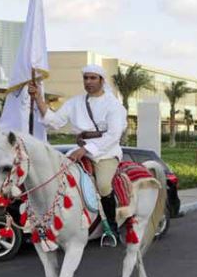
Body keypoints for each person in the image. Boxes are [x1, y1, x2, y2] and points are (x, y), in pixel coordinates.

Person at [28, 64, 127, 237]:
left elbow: (113, 135)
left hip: (106, 153)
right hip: (81, 149)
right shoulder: (75, 102)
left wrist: (86, 149)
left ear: (102, 80)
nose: (88, 81)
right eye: (86, 78)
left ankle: (111, 227)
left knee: (103, 186)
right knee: (58, 178)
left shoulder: (113, 105)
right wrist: (37, 98)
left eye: (93, 78)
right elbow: (54, 121)